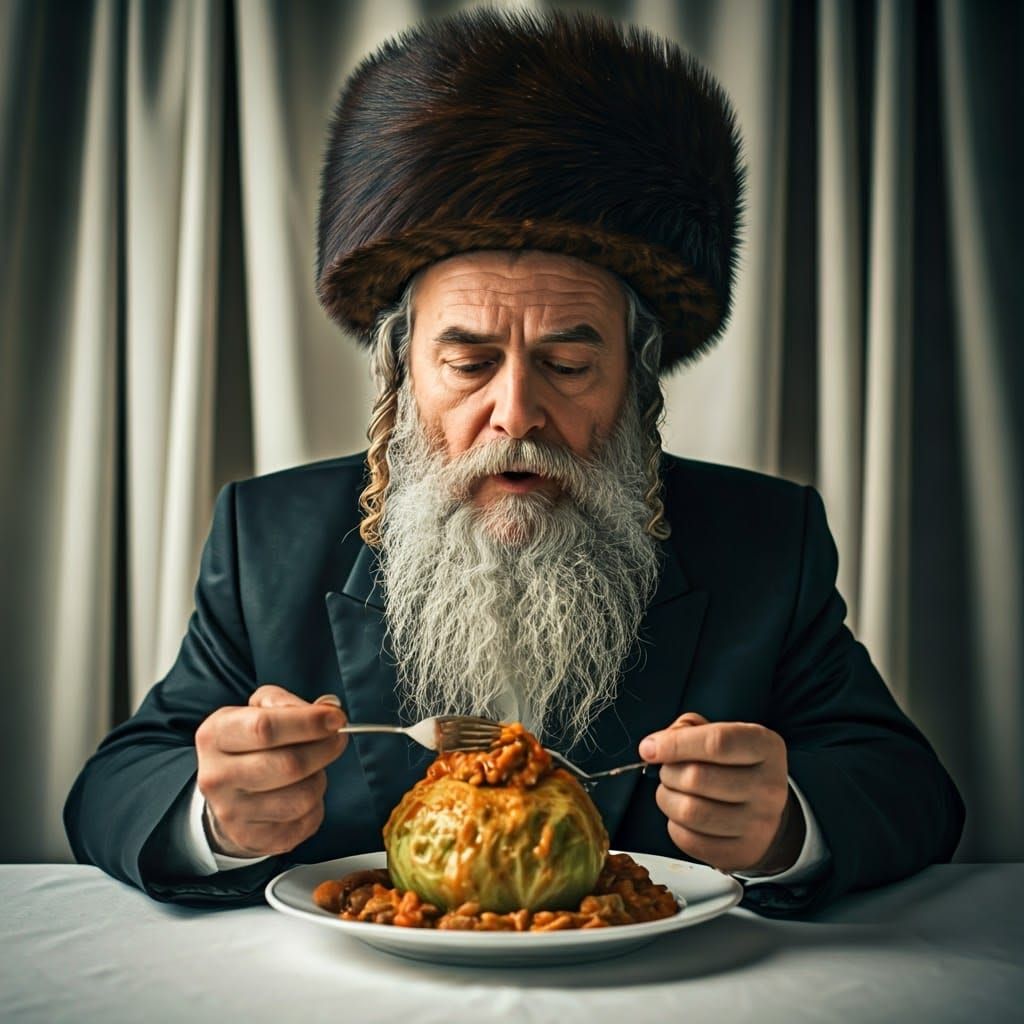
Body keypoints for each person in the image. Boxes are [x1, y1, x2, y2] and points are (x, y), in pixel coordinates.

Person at [65, 9, 963, 913]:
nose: (518, 413)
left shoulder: (765, 540)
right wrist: (215, 816)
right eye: (467, 363)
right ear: (400, 376)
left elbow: (910, 791)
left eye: (569, 365)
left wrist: (788, 823)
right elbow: (115, 786)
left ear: (635, 380)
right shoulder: (269, 537)